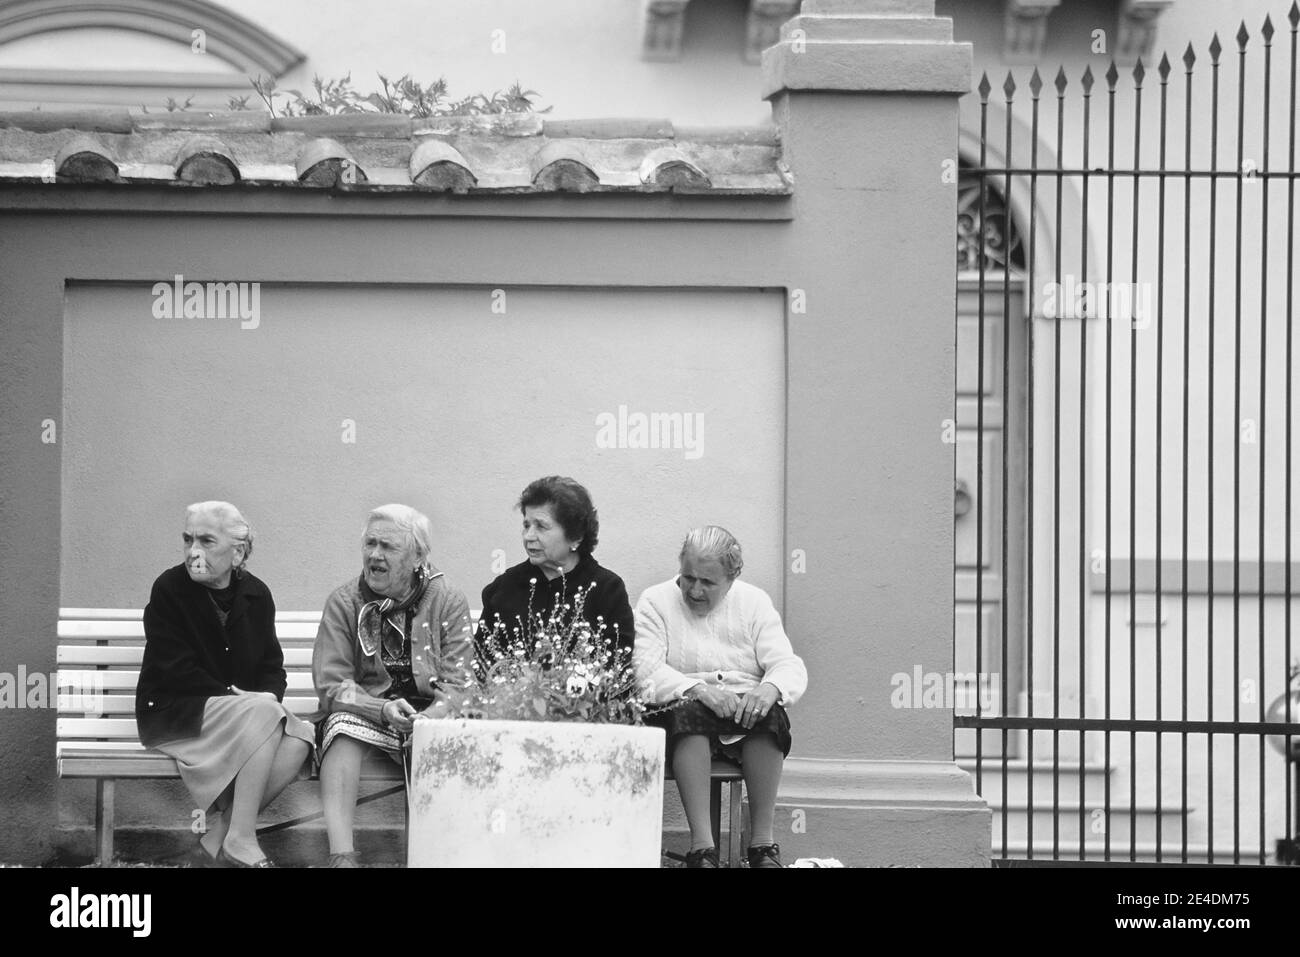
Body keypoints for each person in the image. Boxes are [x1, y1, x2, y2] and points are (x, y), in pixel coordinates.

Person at [135, 501, 313, 868]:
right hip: (177, 713)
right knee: (266, 713)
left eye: (206, 541)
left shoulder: (257, 595)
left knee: (300, 738)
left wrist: (267, 696)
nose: (193, 552)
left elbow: (272, 667)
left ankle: (219, 838)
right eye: (188, 540)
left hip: (243, 718)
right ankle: (243, 839)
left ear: (238, 552)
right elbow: (173, 669)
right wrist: (242, 698)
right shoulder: (170, 589)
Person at [634, 526, 807, 868]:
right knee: (688, 717)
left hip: (742, 706)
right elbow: (644, 670)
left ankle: (762, 846)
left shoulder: (753, 602)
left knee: (770, 717)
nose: (695, 590)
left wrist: (768, 689)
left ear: (731, 579)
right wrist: (699, 690)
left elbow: (787, 664)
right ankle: (703, 849)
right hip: (683, 701)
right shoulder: (655, 601)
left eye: (708, 583)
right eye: (688, 578)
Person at [312, 504, 474, 868]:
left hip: (431, 714)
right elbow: (332, 684)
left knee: (445, 740)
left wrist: (429, 720)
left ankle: (430, 857)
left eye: (388, 547)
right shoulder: (344, 602)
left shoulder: (446, 600)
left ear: (418, 556)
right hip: (372, 714)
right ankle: (342, 856)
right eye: (370, 544)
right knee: (341, 730)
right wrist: (379, 709)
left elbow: (460, 683)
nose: (374, 555)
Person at [477, 476, 635, 658]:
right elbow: (483, 660)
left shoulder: (607, 590)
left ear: (576, 536)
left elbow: (618, 665)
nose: (529, 536)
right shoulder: (505, 587)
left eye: (541, 526)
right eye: (526, 525)